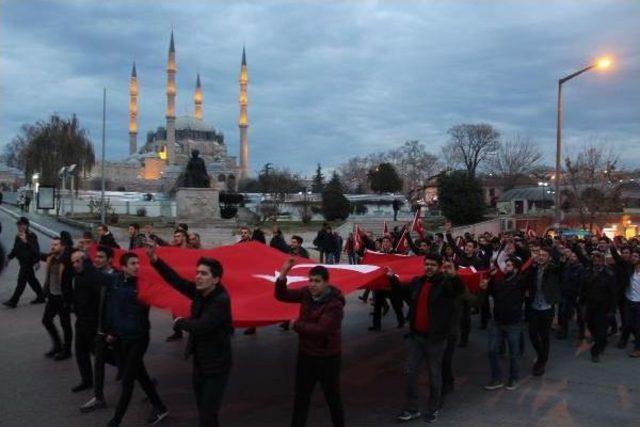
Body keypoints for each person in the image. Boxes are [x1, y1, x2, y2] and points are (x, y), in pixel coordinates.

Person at [145, 240, 232, 427]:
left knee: (207, 414)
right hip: (201, 362)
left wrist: (180, 321)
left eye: (204, 274)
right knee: (205, 412)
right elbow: (176, 281)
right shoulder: (200, 291)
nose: (198, 277)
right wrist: (155, 259)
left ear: (215, 279)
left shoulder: (220, 301)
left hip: (216, 366)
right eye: (197, 273)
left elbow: (202, 326)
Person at [389, 253, 464, 424]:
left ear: (439, 267)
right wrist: (393, 279)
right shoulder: (418, 282)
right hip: (416, 337)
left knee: (434, 374)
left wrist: (453, 275)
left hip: (435, 339)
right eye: (427, 264)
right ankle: (412, 408)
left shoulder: (446, 284)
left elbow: (458, 290)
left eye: (432, 264)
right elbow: (402, 293)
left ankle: (433, 408)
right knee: (409, 372)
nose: (429, 267)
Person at [275, 258, 346, 427]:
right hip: (306, 355)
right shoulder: (306, 293)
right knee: (301, 398)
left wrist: (296, 325)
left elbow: (321, 330)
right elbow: (282, 295)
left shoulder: (334, 304)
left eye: (317, 281)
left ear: (326, 283)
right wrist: (283, 274)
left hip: (327, 358)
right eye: (311, 280)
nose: (313, 284)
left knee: (332, 398)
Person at [105, 252, 168, 426]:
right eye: (132, 263)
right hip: (121, 337)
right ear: (123, 267)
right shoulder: (116, 282)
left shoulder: (143, 285)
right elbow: (113, 308)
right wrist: (111, 331)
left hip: (139, 338)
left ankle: (116, 420)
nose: (137, 266)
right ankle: (159, 406)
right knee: (141, 374)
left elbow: (165, 284)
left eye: (138, 263)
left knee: (128, 379)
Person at [80, 245, 118, 413]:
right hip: (100, 328)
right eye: (96, 257)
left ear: (110, 260)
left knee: (128, 362)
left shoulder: (116, 278)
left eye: (101, 257)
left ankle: (148, 385)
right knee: (99, 362)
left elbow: (119, 309)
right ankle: (99, 397)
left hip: (114, 331)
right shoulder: (97, 277)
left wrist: (112, 332)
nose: (97, 260)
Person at [479, 257, 526, 391]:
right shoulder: (499, 281)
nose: (506, 267)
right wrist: (488, 281)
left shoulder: (520, 281)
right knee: (492, 350)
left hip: (513, 322)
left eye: (509, 265)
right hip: (497, 321)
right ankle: (496, 378)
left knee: (514, 352)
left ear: (516, 268)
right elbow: (489, 292)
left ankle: (514, 378)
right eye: (506, 265)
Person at [70, 249, 106, 392]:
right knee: (80, 351)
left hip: (93, 323)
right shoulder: (77, 277)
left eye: (78, 261)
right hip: (81, 321)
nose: (75, 264)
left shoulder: (93, 277)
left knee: (103, 354)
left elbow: (101, 301)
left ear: (85, 261)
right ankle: (86, 380)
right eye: (73, 262)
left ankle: (133, 372)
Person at [523, 246, 562, 376]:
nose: (541, 257)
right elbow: (525, 277)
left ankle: (542, 361)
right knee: (532, 333)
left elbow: (559, 265)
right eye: (539, 254)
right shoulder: (534, 268)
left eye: (544, 255)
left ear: (549, 257)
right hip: (534, 305)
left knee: (544, 335)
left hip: (546, 307)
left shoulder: (553, 269)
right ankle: (541, 355)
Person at [576, 249, 617, 362]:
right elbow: (583, 288)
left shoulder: (609, 274)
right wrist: (581, 302)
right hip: (590, 304)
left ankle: (596, 351)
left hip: (603, 306)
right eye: (595, 261)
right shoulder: (588, 272)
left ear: (603, 262)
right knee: (591, 325)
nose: (597, 263)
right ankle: (601, 340)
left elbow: (613, 293)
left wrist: (612, 309)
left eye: (599, 261)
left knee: (601, 328)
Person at [41, 236, 74, 360]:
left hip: (63, 297)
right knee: (46, 320)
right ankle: (58, 345)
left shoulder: (67, 261)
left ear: (62, 246)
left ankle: (67, 350)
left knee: (65, 324)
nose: (53, 246)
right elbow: (38, 255)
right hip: (53, 295)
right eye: (52, 244)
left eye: (56, 244)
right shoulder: (51, 258)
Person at [4, 216, 45, 307]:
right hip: (22, 262)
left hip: (28, 262)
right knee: (32, 280)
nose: (19, 226)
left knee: (21, 281)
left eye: (21, 225)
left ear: (26, 225)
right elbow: (16, 249)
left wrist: (37, 261)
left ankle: (13, 301)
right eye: (18, 225)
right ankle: (41, 296)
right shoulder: (18, 235)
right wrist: (9, 258)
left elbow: (35, 249)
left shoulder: (31, 235)